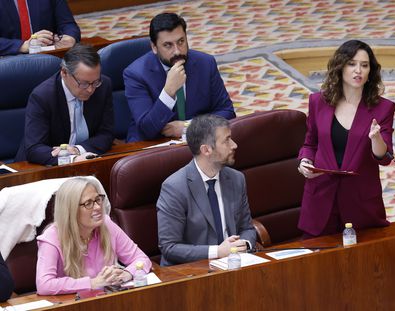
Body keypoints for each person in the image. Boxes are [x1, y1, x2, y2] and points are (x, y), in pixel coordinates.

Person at [297, 40, 395, 237]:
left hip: (361, 204)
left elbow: (384, 157)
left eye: (364, 65)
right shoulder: (318, 101)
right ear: (340, 67)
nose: (358, 70)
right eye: (352, 63)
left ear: (370, 72)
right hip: (321, 199)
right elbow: (310, 143)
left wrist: (376, 138)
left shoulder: (383, 108)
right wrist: (305, 161)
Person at [157, 114, 256, 266]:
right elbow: (169, 247)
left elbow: (247, 228)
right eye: (226, 140)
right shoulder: (174, 188)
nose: (234, 145)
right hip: (192, 272)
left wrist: (243, 245)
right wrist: (218, 251)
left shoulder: (236, 179)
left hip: (234, 264)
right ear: (206, 150)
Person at [123, 13, 235, 142]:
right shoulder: (135, 74)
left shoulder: (205, 63)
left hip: (197, 140)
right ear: (154, 47)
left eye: (181, 41)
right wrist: (168, 91)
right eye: (168, 45)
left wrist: (189, 127)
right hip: (153, 145)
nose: (177, 51)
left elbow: (227, 112)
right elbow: (147, 129)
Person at [36, 177, 152, 295]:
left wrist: (127, 273)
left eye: (98, 199)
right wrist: (92, 283)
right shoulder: (51, 238)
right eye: (88, 203)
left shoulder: (106, 224)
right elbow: (44, 285)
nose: (97, 207)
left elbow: (141, 259)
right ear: (71, 210)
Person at [15, 43, 114, 166]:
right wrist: (70, 158)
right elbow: (34, 148)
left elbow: (106, 134)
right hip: (43, 167)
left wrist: (78, 150)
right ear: (64, 73)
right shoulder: (42, 96)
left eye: (95, 82)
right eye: (83, 83)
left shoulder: (103, 86)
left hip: (86, 160)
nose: (90, 89)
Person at [0, 0, 80, 56]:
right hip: (8, 59)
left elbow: (67, 23)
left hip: (50, 55)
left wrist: (69, 38)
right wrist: (23, 46)